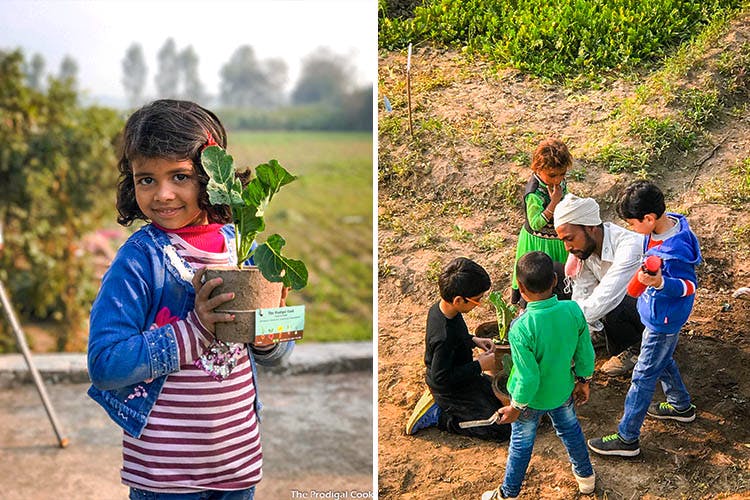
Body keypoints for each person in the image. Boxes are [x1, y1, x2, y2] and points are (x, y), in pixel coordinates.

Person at [87, 99, 291, 500]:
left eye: (179, 176)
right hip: (165, 476)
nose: (163, 194)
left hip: (238, 465)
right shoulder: (140, 259)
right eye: (146, 179)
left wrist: (269, 334)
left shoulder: (241, 248)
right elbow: (105, 364)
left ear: (211, 178)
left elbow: (276, 355)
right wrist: (194, 330)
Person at [588, 181, 701, 457]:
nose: (631, 229)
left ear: (649, 218)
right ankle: (679, 405)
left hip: (664, 319)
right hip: (656, 315)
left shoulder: (676, 250)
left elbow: (689, 286)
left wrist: (661, 283)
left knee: (642, 375)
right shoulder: (663, 229)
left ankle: (627, 438)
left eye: (632, 223)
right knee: (662, 359)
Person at [482, 251, 595, 500]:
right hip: (563, 391)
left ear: (520, 288)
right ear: (555, 280)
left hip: (530, 401)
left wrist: (516, 406)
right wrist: (584, 380)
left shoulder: (521, 328)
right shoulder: (572, 310)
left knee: (521, 446)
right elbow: (585, 351)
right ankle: (586, 479)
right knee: (571, 432)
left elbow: (528, 376)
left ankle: (507, 494)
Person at [405, 257, 511, 442]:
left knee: (500, 398)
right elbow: (441, 379)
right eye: (477, 301)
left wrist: (473, 340)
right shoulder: (443, 337)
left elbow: (457, 335)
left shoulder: (442, 311)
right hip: (449, 390)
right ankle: (439, 416)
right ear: (458, 300)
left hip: (465, 377)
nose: (480, 303)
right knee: (500, 427)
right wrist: (479, 365)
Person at [553, 193, 645, 377]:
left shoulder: (629, 247)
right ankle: (599, 333)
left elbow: (606, 297)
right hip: (613, 302)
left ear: (590, 227)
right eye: (563, 240)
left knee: (614, 304)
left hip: (648, 311)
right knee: (552, 272)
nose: (567, 247)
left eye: (569, 238)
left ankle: (637, 348)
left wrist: (560, 327)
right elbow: (582, 292)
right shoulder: (585, 250)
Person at [510, 138, 571, 306]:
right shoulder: (534, 193)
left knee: (559, 280)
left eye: (562, 174)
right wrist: (554, 203)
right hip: (538, 242)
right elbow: (536, 222)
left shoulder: (557, 182)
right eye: (552, 175)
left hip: (557, 240)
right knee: (537, 278)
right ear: (538, 168)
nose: (558, 180)